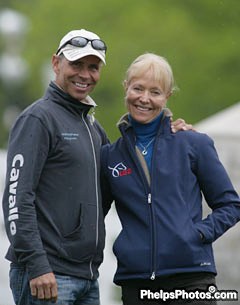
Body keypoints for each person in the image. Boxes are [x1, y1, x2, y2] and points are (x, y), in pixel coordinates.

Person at [1, 30, 190, 305]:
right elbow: (17, 200)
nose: (85, 74)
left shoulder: (93, 128)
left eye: (93, 67)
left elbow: (124, 179)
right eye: (76, 64)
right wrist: (38, 265)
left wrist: (166, 135)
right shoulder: (38, 119)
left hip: (87, 277)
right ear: (56, 63)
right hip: (47, 275)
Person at [100, 53, 240, 305]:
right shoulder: (110, 156)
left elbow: (231, 205)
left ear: (167, 97)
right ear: (126, 88)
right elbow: (93, 214)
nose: (144, 98)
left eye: (155, 92)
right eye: (138, 88)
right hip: (137, 284)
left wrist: (196, 234)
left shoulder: (194, 144)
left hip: (191, 280)